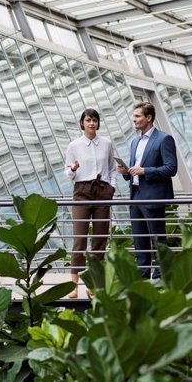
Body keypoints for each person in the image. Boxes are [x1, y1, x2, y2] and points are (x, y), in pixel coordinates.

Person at [117, 101, 177, 279]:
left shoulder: (164, 139)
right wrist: (126, 172)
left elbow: (171, 168)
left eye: (137, 116)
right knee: (139, 240)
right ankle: (142, 276)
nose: (133, 119)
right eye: (134, 116)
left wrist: (145, 171)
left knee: (158, 240)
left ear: (149, 118)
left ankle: (160, 277)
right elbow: (136, 171)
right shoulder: (135, 141)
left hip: (154, 197)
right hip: (135, 196)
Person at [64, 108, 118, 298]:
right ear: (82, 123)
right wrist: (72, 168)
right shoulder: (74, 145)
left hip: (102, 190)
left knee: (99, 240)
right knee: (79, 239)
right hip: (82, 191)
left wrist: (111, 188)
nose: (92, 123)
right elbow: (68, 173)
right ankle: (74, 285)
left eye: (94, 120)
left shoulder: (106, 144)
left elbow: (112, 168)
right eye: (88, 120)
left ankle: (93, 284)